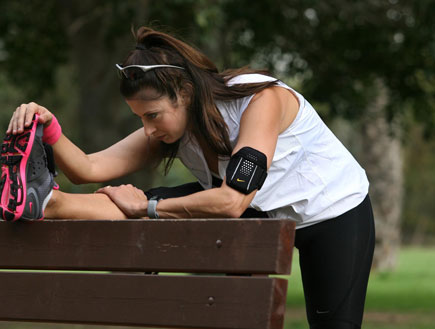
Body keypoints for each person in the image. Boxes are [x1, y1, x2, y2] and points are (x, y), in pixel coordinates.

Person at [0, 27, 375, 329]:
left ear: (186, 93)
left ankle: (56, 201)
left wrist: (148, 206)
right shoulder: (171, 127)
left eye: (153, 115)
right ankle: (50, 202)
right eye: (140, 117)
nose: (147, 129)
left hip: (332, 214)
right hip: (259, 213)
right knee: (140, 202)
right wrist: (48, 127)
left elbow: (232, 201)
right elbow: (88, 169)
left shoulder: (261, 100)